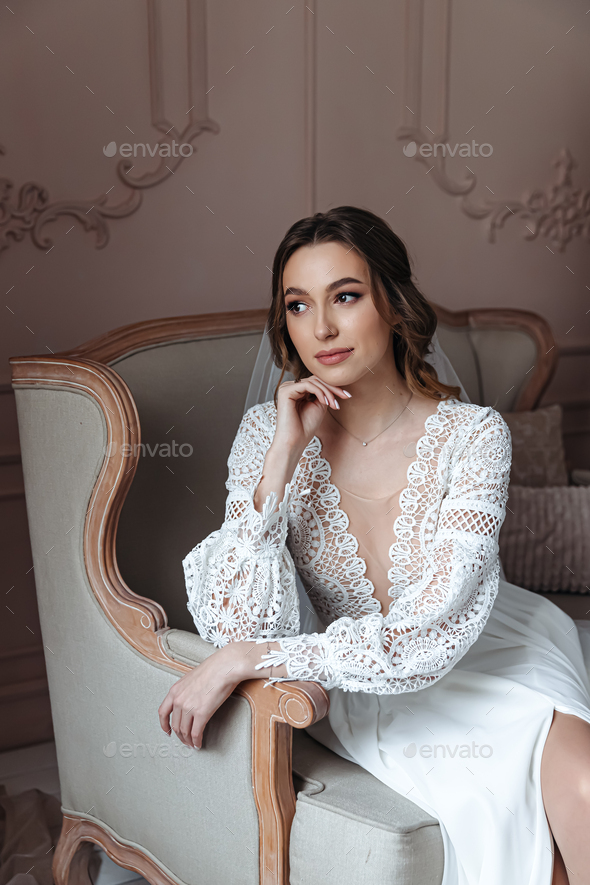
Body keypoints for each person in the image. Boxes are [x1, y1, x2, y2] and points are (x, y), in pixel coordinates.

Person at [158, 206, 590, 885]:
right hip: (362, 679)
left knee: (585, 789)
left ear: (393, 303)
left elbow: (426, 640)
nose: (321, 328)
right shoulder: (263, 437)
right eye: (298, 306)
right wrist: (282, 455)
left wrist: (248, 658)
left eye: (346, 296)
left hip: (492, 646)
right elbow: (239, 619)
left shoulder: (475, 436)